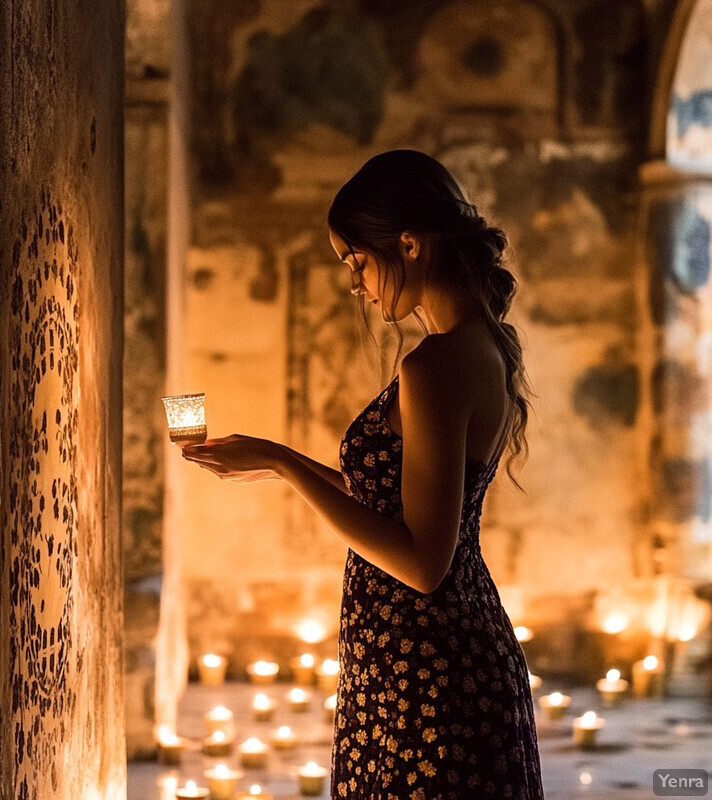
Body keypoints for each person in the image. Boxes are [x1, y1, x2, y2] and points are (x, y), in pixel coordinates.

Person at [182, 149, 544, 799]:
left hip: (428, 673)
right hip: (429, 658)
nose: (355, 283)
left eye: (356, 260)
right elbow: (402, 499)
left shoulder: (435, 365)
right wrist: (273, 460)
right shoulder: (473, 346)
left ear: (408, 244)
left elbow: (421, 562)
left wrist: (284, 463)